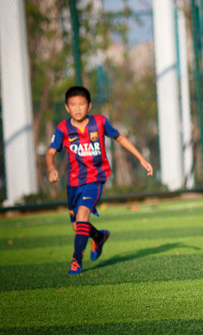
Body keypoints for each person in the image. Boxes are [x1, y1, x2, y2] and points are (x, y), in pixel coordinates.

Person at [46, 86, 153, 275]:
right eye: (73, 105)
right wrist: (51, 167)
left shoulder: (100, 122)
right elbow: (50, 152)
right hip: (73, 183)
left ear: (89, 106)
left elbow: (119, 137)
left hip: (95, 180)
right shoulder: (63, 128)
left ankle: (76, 262)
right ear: (66, 107)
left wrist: (140, 158)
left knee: (82, 217)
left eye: (81, 104)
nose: (77, 108)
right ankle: (99, 236)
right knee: (77, 226)